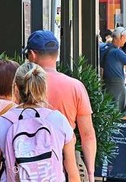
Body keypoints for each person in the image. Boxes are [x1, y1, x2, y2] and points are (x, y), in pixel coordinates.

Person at [0, 62, 80, 182]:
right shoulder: (59, 121)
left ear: (15, 88)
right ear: (44, 88)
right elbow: (73, 174)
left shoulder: (1, 123)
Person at [26, 30, 97, 182]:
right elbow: (88, 134)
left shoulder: (23, 85)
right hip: (67, 160)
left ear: (32, 55)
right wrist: (90, 173)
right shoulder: (75, 86)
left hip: (28, 162)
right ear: (56, 54)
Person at [100, 27, 126, 116]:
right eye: (125, 38)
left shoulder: (102, 47)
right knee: (124, 113)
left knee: (108, 111)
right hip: (117, 86)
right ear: (121, 37)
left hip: (104, 84)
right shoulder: (117, 52)